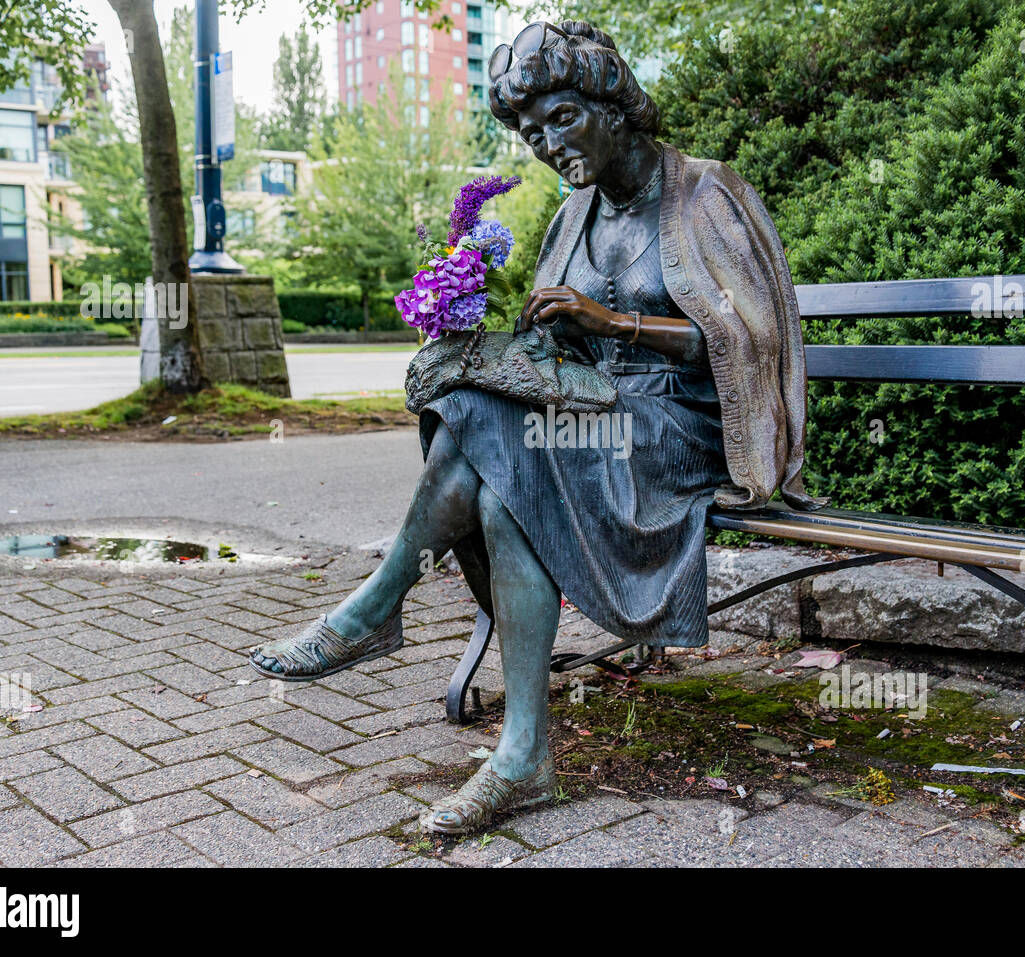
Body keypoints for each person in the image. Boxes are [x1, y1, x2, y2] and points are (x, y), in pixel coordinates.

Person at [250, 19, 814, 833]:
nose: (546, 143)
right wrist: (482, 335)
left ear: (611, 103)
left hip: (683, 429)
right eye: (530, 131)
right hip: (596, 410)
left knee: (501, 453)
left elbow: (743, 340)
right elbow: (554, 339)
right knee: (494, 462)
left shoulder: (706, 193)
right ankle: (521, 754)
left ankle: (381, 612)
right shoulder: (574, 215)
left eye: (560, 118)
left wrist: (614, 323)